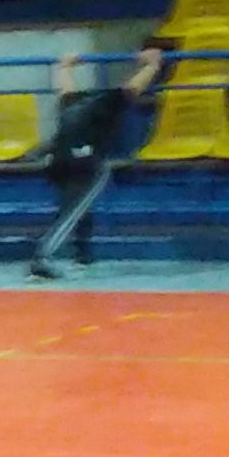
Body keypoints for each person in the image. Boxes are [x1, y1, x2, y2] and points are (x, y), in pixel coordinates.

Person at [31, 39, 168, 281]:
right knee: (72, 211)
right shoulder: (105, 102)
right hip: (83, 163)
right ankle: (42, 257)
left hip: (62, 160)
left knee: (74, 208)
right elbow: (132, 89)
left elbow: (64, 88)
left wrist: (64, 66)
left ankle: (82, 255)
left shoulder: (74, 103)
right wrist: (152, 66)